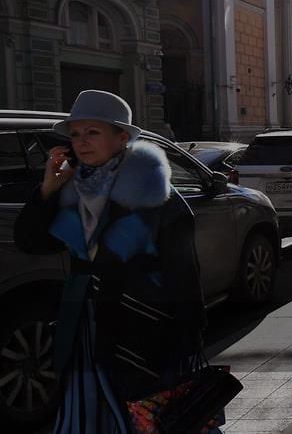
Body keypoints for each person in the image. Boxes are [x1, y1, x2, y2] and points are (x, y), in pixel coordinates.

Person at [14, 90, 215, 433]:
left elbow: (183, 272)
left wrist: (188, 337)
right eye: (75, 134)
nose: (81, 142)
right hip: (85, 327)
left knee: (150, 419)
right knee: (90, 417)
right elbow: (32, 242)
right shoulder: (72, 191)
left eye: (92, 132)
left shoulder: (155, 196)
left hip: (142, 330)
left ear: (122, 138)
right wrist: (47, 189)